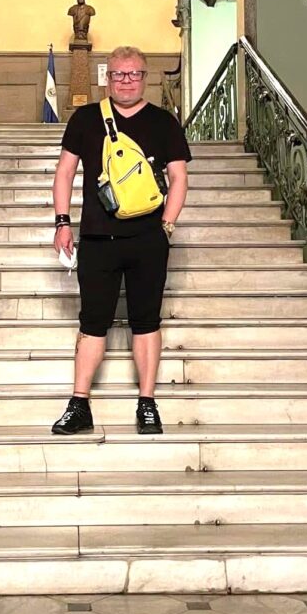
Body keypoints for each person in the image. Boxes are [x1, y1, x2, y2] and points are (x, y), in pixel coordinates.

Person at [50, 45, 192, 435]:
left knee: (146, 321)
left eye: (133, 74)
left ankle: (147, 403)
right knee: (92, 322)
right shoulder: (85, 119)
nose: (126, 81)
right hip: (97, 238)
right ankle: (79, 405)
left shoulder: (163, 122)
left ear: (145, 78)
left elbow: (179, 177)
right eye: (118, 74)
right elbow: (64, 172)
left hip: (148, 238)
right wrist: (62, 222)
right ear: (106, 78)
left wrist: (166, 226)